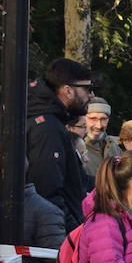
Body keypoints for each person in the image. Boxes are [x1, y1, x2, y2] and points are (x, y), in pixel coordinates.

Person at [27, 58, 95, 230]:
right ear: (68, 90)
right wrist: (75, 235)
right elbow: (48, 191)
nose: (91, 95)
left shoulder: (51, 122)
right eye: (87, 89)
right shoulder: (47, 129)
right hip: (54, 236)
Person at [84, 97, 120, 166]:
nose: (98, 126)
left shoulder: (113, 146)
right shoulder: (75, 148)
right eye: (93, 119)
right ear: (83, 118)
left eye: (103, 119)